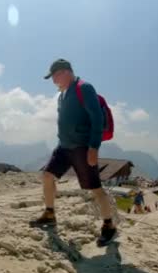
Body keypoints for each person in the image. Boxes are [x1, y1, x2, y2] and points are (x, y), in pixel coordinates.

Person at [29, 58, 117, 247]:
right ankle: (50, 213)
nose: (53, 80)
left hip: (82, 147)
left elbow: (97, 118)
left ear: (65, 72)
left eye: (54, 76)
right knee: (46, 175)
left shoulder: (84, 88)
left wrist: (94, 147)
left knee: (95, 188)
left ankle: (109, 225)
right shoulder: (62, 95)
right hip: (64, 146)